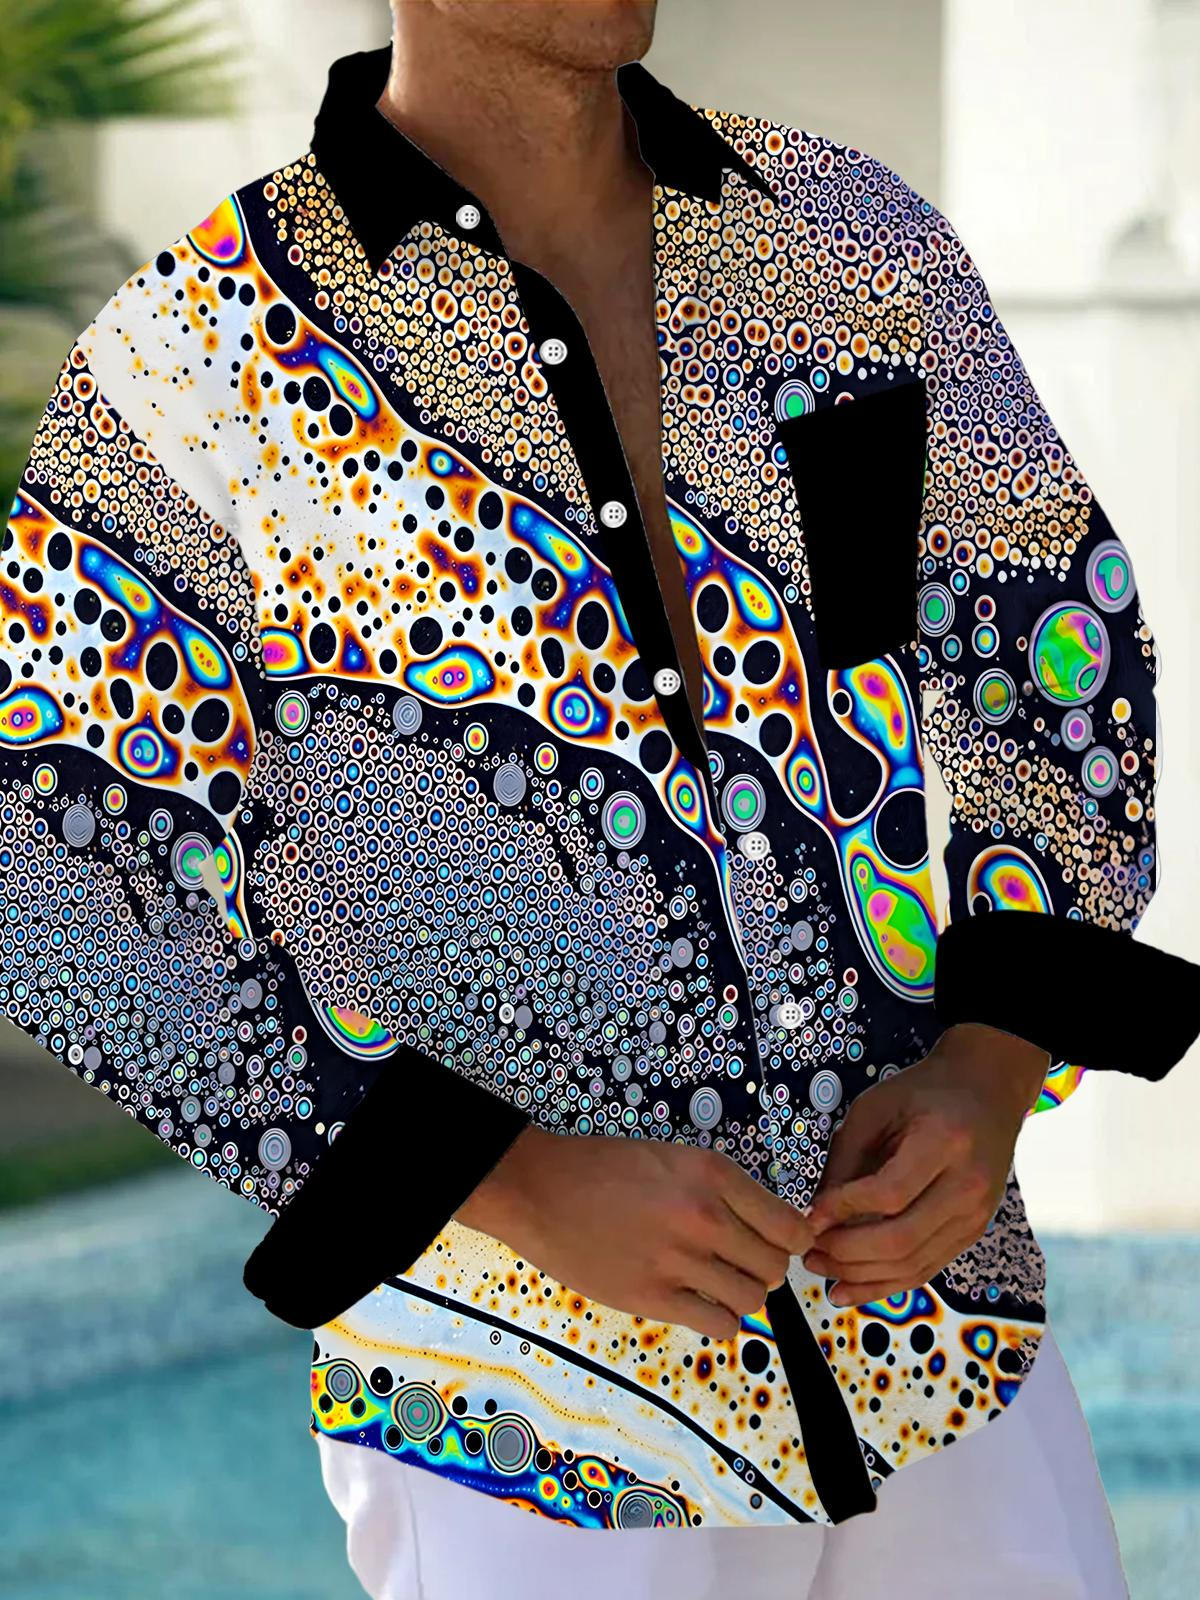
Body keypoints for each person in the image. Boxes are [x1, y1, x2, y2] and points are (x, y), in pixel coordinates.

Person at [5, 2, 1198, 1595]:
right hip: (523, 1417)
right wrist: (514, 1181)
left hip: (936, 1339)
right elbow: (63, 875)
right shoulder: (200, 354)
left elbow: (1052, 659)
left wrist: (990, 1063)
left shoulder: (855, 244)